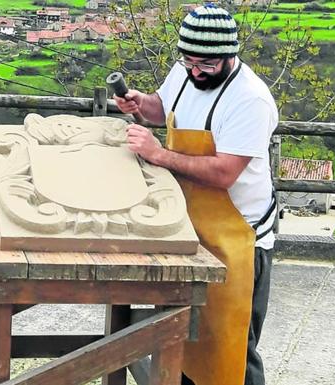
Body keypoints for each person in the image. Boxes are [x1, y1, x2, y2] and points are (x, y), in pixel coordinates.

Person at [113, 4, 278, 385]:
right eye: (189, 62)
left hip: (238, 238)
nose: (196, 72)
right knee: (181, 340)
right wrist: (141, 104)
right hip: (188, 229)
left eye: (206, 65)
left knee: (230, 349)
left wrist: (158, 155)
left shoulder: (249, 99)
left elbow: (224, 172)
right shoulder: (186, 71)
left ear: (229, 55)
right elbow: (164, 107)